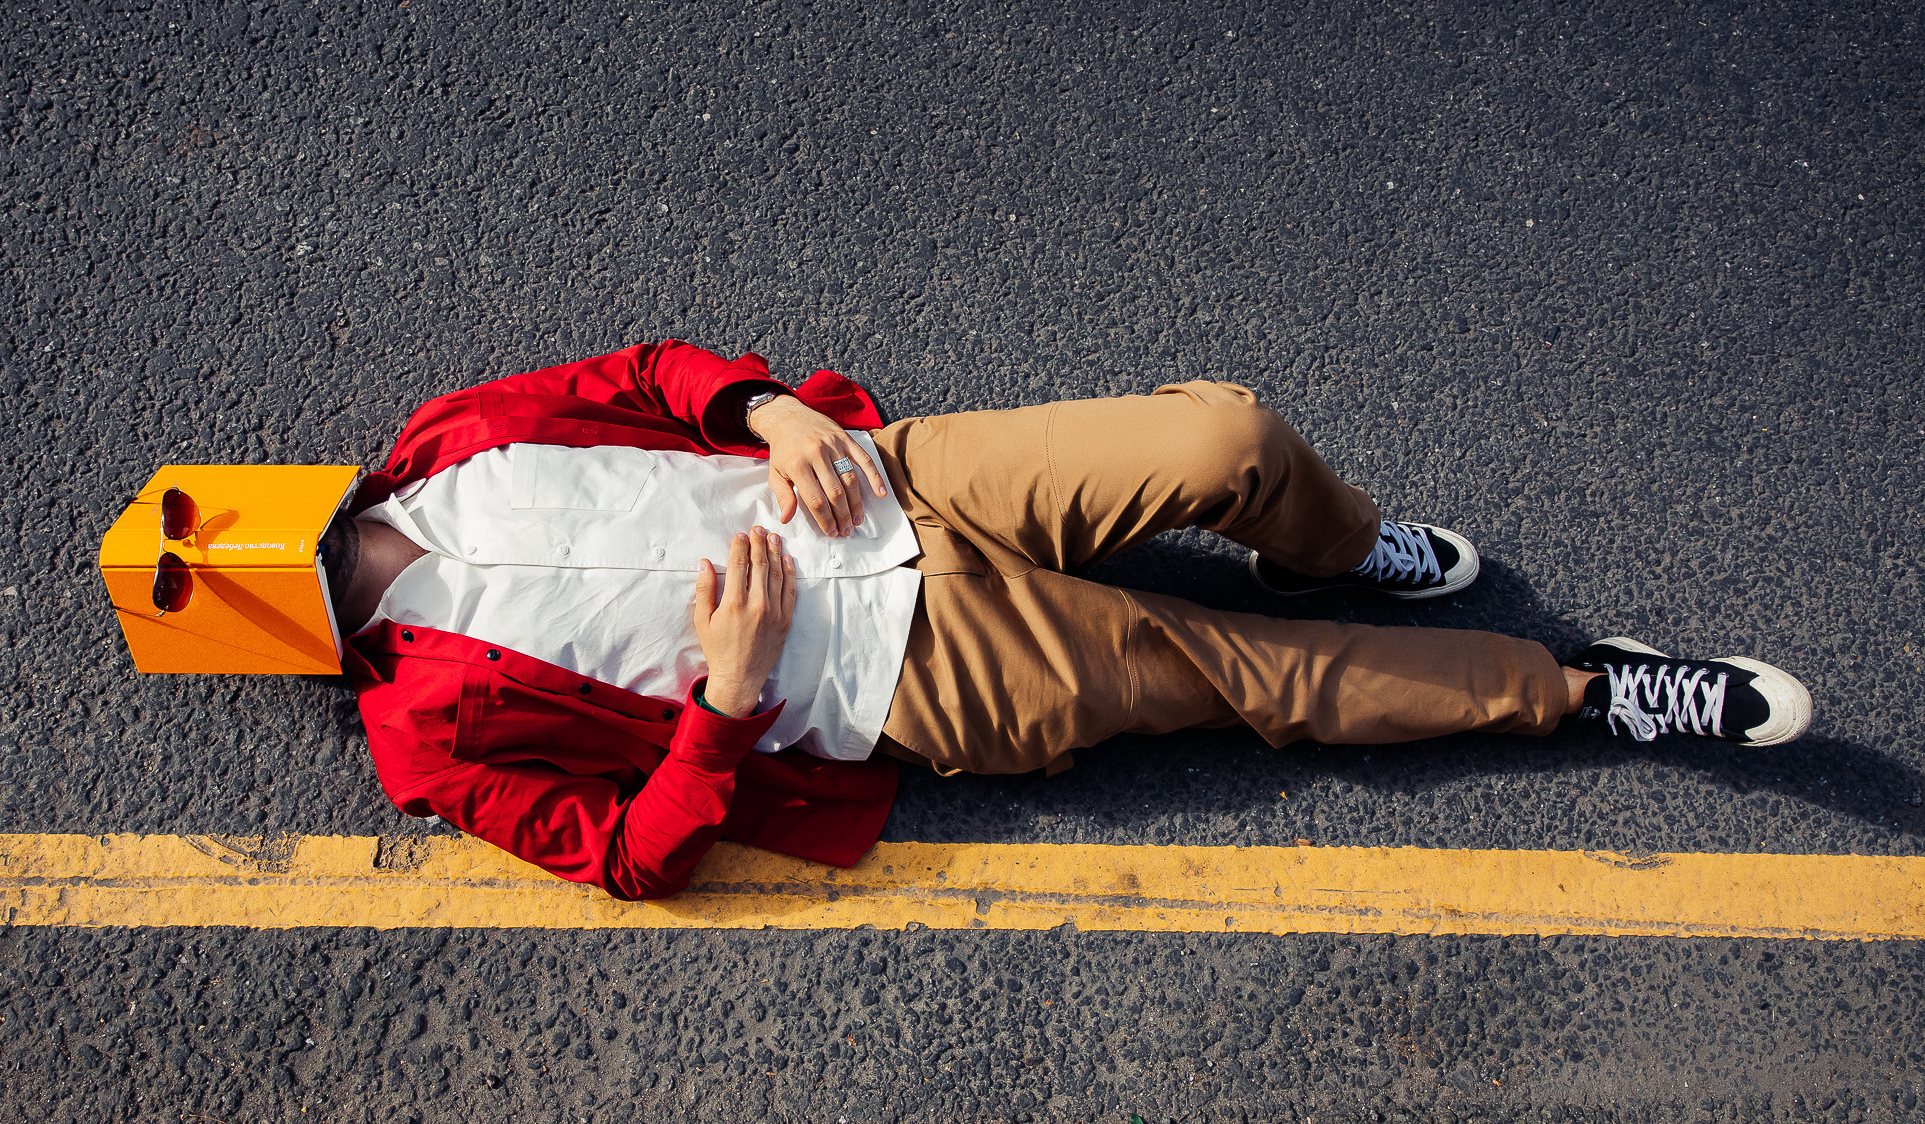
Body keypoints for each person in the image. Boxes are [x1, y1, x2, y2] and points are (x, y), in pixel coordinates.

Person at [326, 340, 1811, 900]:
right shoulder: (419, 738)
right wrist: (723, 700)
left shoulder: (443, 432)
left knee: (1226, 439)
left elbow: (644, 376)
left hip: (898, 483)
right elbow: (630, 859)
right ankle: (1582, 690)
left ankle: (1329, 543)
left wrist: (762, 408)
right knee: (1266, 683)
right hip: (909, 683)